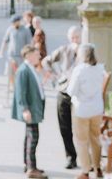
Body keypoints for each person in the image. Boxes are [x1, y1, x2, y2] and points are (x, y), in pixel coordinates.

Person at [42, 25, 81, 169]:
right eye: (72, 37)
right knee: (65, 127)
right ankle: (71, 157)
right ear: (68, 38)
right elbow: (46, 61)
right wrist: (55, 75)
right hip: (64, 91)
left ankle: (85, 157)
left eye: (77, 37)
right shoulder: (63, 50)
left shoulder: (86, 51)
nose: (75, 40)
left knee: (80, 127)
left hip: (79, 94)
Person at [66, 43, 107, 179]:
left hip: (82, 110)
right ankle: (98, 167)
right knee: (95, 138)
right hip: (96, 109)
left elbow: (71, 91)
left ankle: (85, 171)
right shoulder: (100, 69)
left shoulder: (79, 70)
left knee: (82, 141)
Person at [12, 45, 46, 178]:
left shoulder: (30, 68)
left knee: (30, 137)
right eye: (37, 54)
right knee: (33, 138)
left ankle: (30, 165)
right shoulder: (23, 70)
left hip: (34, 108)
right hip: (30, 109)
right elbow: (21, 92)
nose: (39, 56)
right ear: (28, 55)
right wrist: (24, 109)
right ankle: (31, 168)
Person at [0, 15, 33, 87]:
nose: (12, 24)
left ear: (18, 22)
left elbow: (29, 43)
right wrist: (1, 51)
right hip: (11, 56)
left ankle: (20, 86)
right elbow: (5, 41)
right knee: (9, 72)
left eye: (14, 22)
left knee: (20, 73)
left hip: (21, 56)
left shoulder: (26, 30)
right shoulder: (10, 29)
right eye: (12, 22)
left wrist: (29, 55)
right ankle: (13, 86)